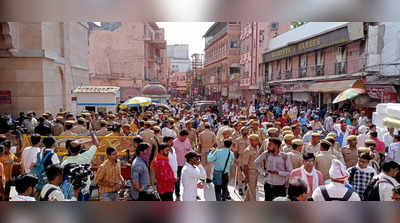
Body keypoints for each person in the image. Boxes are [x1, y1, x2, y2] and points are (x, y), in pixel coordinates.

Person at [61, 131, 98, 200]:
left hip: (71, 193)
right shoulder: (86, 156)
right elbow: (95, 144)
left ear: (69, 149)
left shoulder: (64, 163)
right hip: (85, 190)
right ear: (80, 149)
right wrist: (92, 133)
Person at [173, 130, 192, 200]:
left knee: (187, 179)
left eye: (186, 137)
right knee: (177, 180)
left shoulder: (187, 140)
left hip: (186, 164)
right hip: (177, 164)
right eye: (184, 137)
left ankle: (188, 192)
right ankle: (177, 193)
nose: (185, 139)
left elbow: (190, 149)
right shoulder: (174, 142)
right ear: (180, 136)